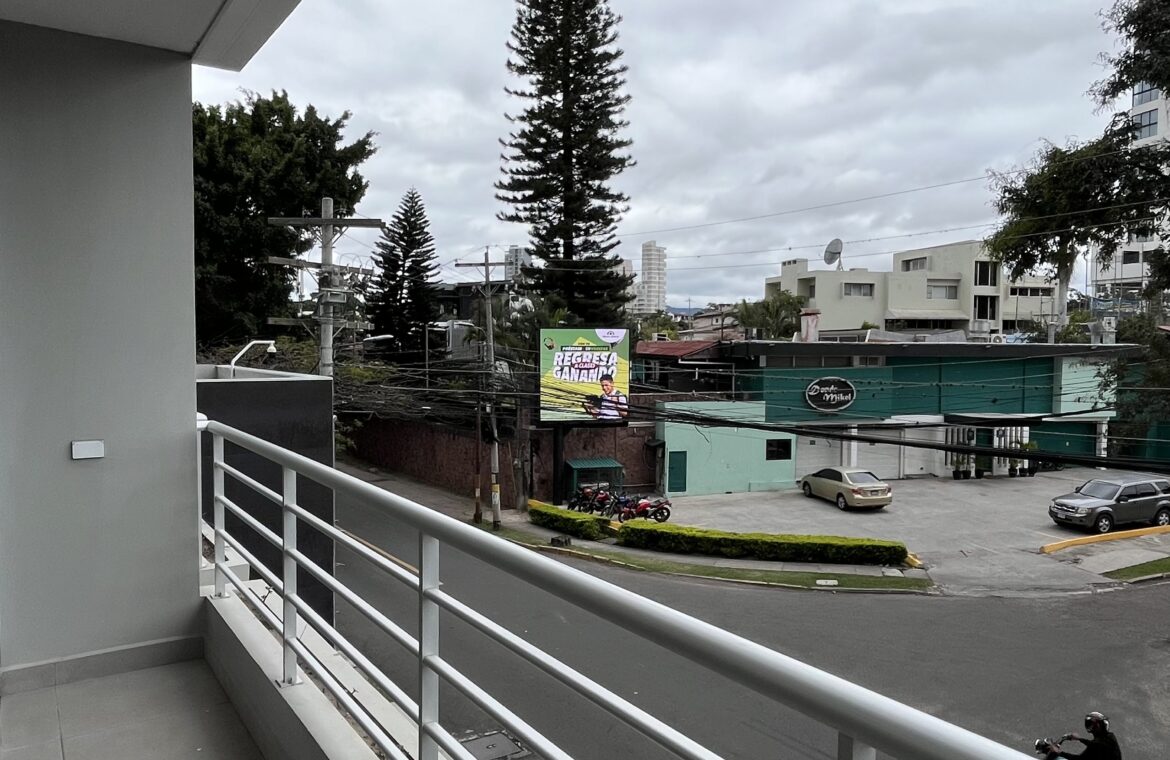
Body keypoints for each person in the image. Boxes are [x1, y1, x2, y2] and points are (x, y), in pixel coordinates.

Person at [1043, 712, 1122, 760]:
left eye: (1092, 724)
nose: (1090, 726)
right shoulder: (1106, 738)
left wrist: (1059, 752)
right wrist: (1079, 739)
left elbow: (1097, 746)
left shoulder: (1107, 739)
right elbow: (1084, 755)